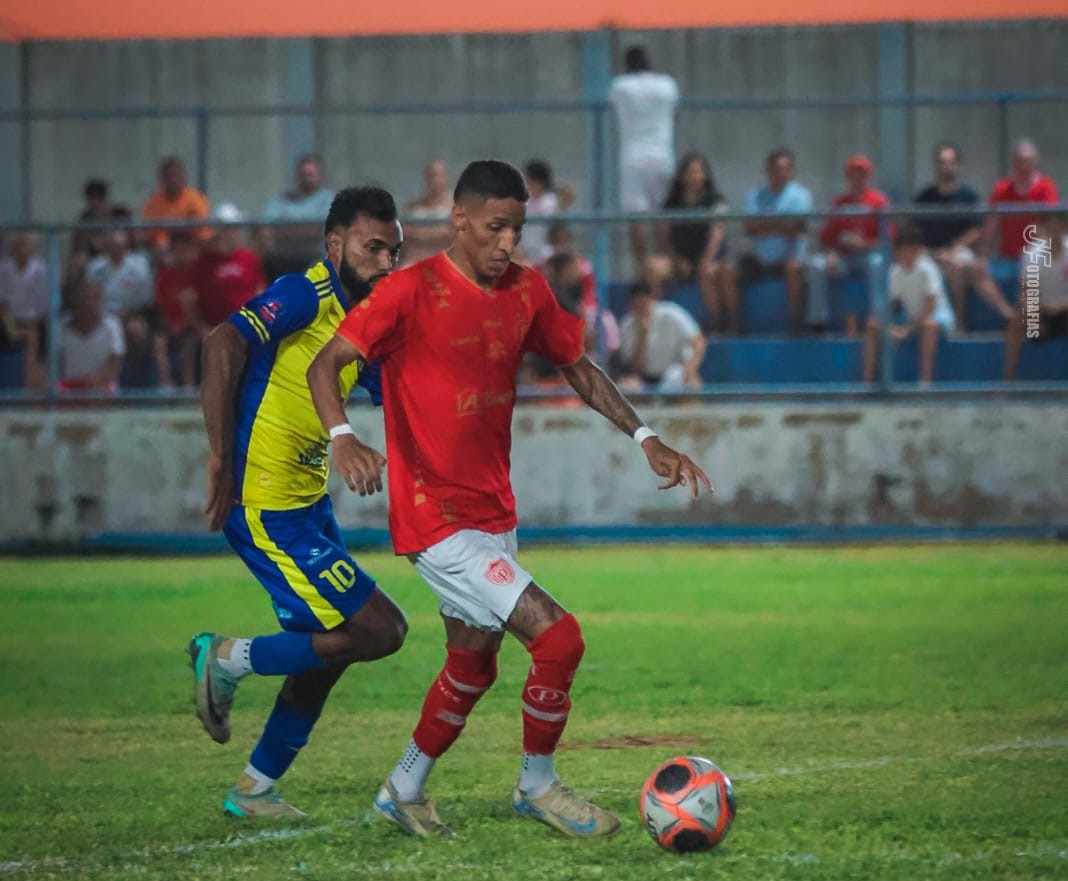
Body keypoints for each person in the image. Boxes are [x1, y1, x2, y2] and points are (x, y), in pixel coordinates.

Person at [306, 159, 711, 839]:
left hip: (493, 512)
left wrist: (646, 436)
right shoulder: (408, 291)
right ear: (458, 219)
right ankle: (538, 784)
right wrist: (343, 436)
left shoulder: (526, 290)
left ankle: (401, 787)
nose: (506, 243)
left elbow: (577, 365)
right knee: (560, 637)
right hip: (435, 517)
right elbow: (327, 363)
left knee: (472, 659)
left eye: (517, 229)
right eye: (495, 227)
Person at [188, 186, 408, 818]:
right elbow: (221, 343)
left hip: (308, 505)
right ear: (336, 245)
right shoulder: (305, 292)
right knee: (379, 629)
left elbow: (395, 396)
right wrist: (220, 456)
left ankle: (255, 789)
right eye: (373, 248)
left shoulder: (365, 321)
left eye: (394, 251)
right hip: (262, 503)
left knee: (332, 647)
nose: (385, 263)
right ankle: (226, 658)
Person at [914, 142, 1012, 329]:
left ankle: (1006, 315)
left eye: (950, 162)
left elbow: (977, 229)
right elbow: (914, 231)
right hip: (930, 253)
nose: (946, 167)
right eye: (942, 162)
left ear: (958, 165)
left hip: (958, 251)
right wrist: (934, 253)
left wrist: (952, 250)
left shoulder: (968, 196)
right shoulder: (925, 197)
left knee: (963, 266)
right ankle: (959, 323)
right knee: (957, 266)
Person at [608, 45, 679, 272]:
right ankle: (663, 264)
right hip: (662, 155)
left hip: (633, 158)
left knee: (636, 218)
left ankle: (641, 269)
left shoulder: (620, 86)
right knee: (662, 215)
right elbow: (675, 113)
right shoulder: (667, 85)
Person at [806, 154, 891, 334]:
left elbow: (888, 239)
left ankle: (878, 317)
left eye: (862, 174)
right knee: (816, 264)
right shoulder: (840, 203)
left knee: (877, 263)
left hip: (868, 255)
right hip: (843, 257)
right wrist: (830, 253)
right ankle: (817, 321)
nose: (857, 178)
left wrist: (865, 244)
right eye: (853, 174)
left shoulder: (878, 201)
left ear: (869, 177)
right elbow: (826, 238)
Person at [657, 152, 740, 334]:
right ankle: (657, 322)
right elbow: (664, 236)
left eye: (698, 172)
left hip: (710, 256)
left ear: (705, 175)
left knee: (713, 272)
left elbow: (717, 232)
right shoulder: (672, 202)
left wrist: (707, 258)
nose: (694, 176)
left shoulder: (715, 200)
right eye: (690, 172)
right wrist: (677, 259)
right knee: (652, 268)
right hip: (681, 258)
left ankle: (722, 321)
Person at [862, 224, 955, 386]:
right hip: (911, 319)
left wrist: (907, 330)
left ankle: (925, 382)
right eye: (902, 250)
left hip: (937, 318)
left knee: (929, 325)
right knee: (872, 325)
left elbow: (930, 306)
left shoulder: (928, 268)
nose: (906, 254)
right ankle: (867, 383)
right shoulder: (895, 272)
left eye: (911, 249)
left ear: (917, 250)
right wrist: (887, 326)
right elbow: (887, 305)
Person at [741, 148, 813, 333]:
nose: (780, 173)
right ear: (768, 170)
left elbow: (797, 229)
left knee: (794, 269)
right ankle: (734, 324)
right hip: (761, 260)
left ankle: (796, 322)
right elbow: (750, 228)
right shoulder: (755, 195)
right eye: (776, 168)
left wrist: (766, 225)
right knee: (727, 270)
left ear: (791, 171)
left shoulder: (801, 195)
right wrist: (781, 225)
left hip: (790, 259)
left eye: (785, 168)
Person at [1004, 213, 1068, 381]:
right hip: (1040, 315)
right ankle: (1008, 383)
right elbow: (1026, 293)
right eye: (1051, 226)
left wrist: (1059, 307)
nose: (1055, 231)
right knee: (1016, 322)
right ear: (1045, 228)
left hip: (1065, 313)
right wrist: (1036, 316)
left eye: (1059, 226)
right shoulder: (1032, 254)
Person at [617, 280, 706, 391]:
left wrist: (690, 369)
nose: (641, 308)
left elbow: (698, 341)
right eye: (636, 305)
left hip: (675, 372)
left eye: (643, 303)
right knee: (626, 388)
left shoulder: (672, 313)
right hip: (645, 378)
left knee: (692, 385)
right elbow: (636, 368)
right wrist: (642, 337)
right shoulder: (627, 325)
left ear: (651, 299)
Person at [261, 154, 337, 278]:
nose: (306, 179)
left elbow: (321, 230)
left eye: (311, 175)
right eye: (303, 175)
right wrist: (304, 229)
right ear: (296, 176)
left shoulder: (328, 199)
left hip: (315, 257)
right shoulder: (281, 201)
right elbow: (266, 230)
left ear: (320, 176)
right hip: (283, 259)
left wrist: (284, 230)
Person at [986, 139, 1060, 261]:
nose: (1023, 166)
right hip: (1008, 258)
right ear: (1014, 163)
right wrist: (983, 256)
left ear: (1034, 162)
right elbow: (991, 225)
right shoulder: (1002, 188)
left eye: (1027, 161)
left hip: (1038, 257)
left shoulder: (1046, 187)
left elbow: (1053, 225)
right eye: (1019, 161)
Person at [57, 280, 125, 394]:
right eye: (86, 298)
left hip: (102, 384)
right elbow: (54, 361)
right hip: (70, 386)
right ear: (77, 301)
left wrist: (97, 379)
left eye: (96, 298)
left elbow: (116, 360)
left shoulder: (112, 324)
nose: (90, 303)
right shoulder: (61, 327)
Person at [141, 157, 211, 256]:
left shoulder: (195, 199)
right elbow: (147, 236)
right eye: (168, 176)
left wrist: (175, 228)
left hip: (191, 247)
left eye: (175, 175)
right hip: (163, 250)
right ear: (162, 179)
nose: (172, 180)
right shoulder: (153, 202)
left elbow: (201, 233)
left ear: (183, 177)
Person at [518, 159, 575, 267]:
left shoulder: (551, 201)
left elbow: (569, 195)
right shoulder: (523, 202)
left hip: (546, 253)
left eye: (529, 179)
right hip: (523, 253)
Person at [400, 159, 454, 266]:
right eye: (431, 176)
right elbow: (402, 231)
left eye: (438, 176)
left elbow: (451, 233)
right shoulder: (414, 204)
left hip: (445, 259)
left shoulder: (455, 203)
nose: (435, 180)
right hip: (413, 259)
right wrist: (434, 233)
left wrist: (418, 235)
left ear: (446, 177)